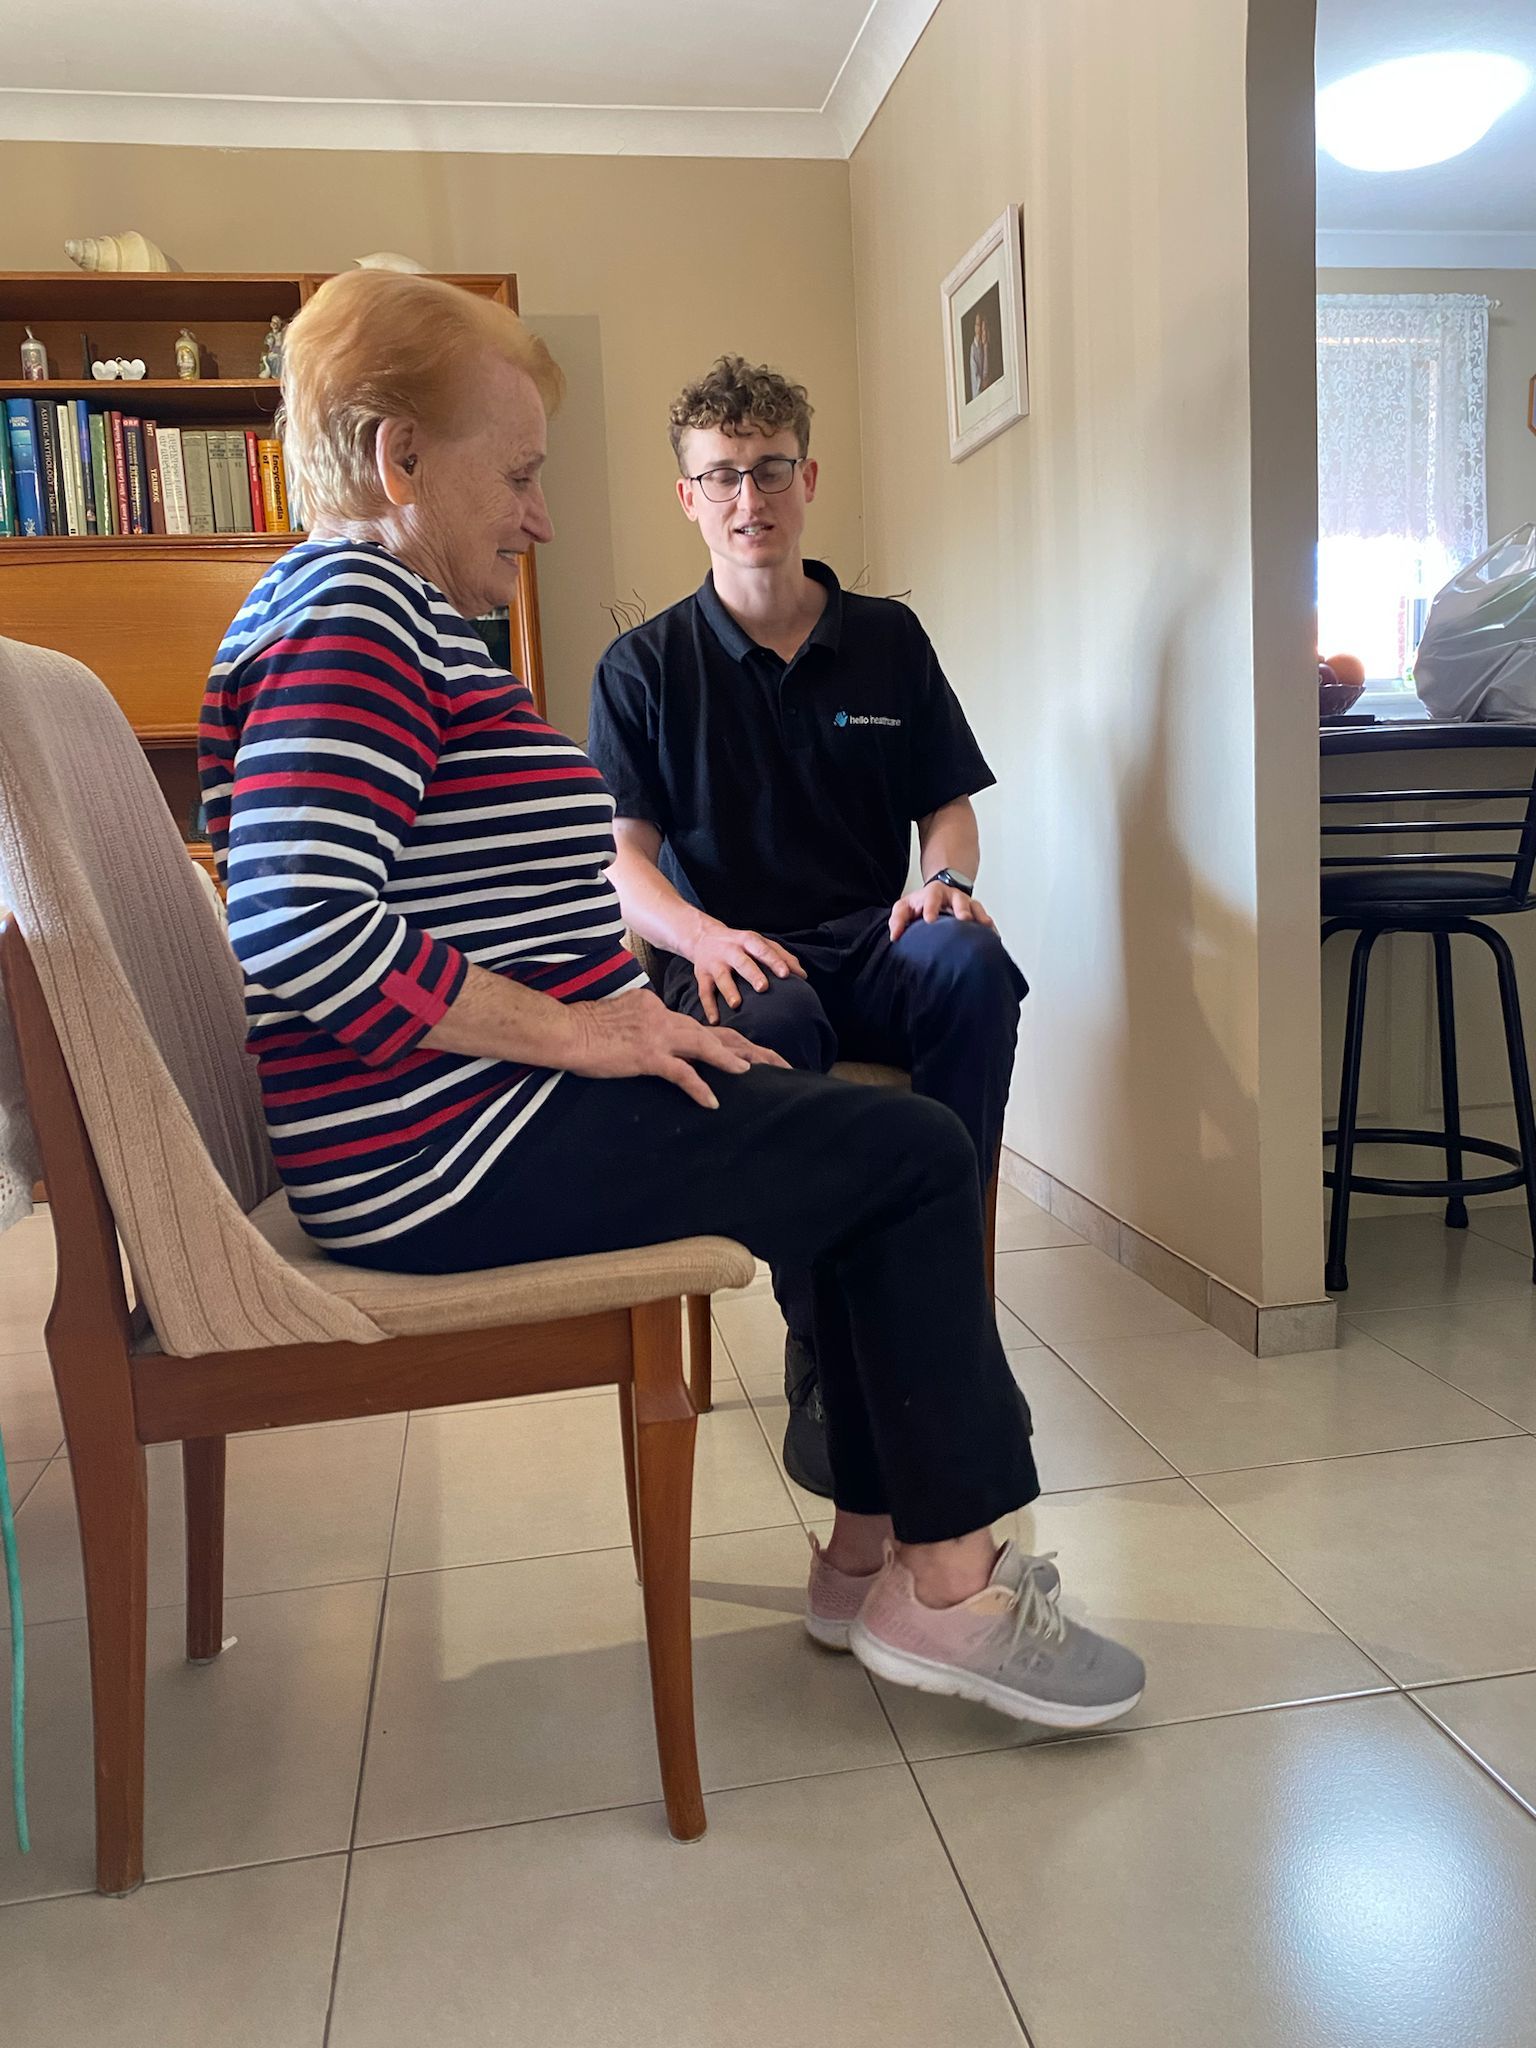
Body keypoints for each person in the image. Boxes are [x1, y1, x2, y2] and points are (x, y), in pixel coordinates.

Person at [199, 271, 1143, 1731]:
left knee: (867, 1153)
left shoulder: (372, 609)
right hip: (442, 1151)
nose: (542, 516)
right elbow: (295, 917)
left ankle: (876, 1563)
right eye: (515, 475)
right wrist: (589, 1027)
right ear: (397, 457)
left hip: (451, 1123)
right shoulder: (357, 617)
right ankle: (942, 1590)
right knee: (907, 1161)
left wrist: (623, 1025)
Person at [587, 356, 1027, 1498]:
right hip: (735, 951)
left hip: (877, 933)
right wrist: (696, 936)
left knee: (972, 959)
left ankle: (951, 1287)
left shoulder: (889, 641)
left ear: (808, 476)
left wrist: (945, 878)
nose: (751, 498)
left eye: (771, 469)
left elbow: (949, 807)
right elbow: (623, 861)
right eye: (722, 476)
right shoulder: (642, 668)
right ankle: (822, 1330)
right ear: (689, 497)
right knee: (770, 1012)